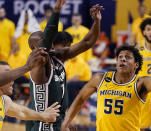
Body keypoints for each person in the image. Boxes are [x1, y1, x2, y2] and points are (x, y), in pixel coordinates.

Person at [61, 32, 151, 130]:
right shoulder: (100, 79)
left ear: (136, 65)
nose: (123, 59)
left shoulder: (140, 83)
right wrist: (65, 122)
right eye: (120, 57)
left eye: (127, 57)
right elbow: (81, 98)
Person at [26, 0, 103, 130]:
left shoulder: (58, 56)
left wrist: (96, 22)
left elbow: (87, 42)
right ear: (34, 48)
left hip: (58, 121)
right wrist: (56, 11)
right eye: (43, 40)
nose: (48, 41)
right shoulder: (37, 62)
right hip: (44, 126)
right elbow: (50, 32)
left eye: (47, 38)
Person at [0, 61, 60, 130]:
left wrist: (43, 115)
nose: (12, 79)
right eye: (7, 75)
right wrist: (27, 67)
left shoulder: (5, 101)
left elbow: (23, 112)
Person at [8, 9, 40, 78]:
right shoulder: (19, 29)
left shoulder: (36, 29)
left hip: (32, 53)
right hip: (21, 55)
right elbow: (14, 42)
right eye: (24, 16)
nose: (26, 17)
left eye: (27, 16)